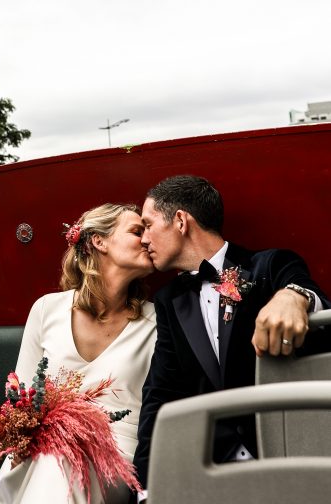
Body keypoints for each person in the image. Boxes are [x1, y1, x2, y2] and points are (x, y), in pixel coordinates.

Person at [133, 174, 331, 494]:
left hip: (289, 457)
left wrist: (293, 296)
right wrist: (144, 487)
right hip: (215, 472)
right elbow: (160, 393)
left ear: (181, 221)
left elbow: (305, 289)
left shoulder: (269, 264)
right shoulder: (170, 301)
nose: (143, 239)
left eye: (148, 224)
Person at [0, 203, 157, 504]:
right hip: (35, 454)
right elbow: (20, 398)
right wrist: (22, 444)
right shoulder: (46, 310)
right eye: (136, 231)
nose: (147, 239)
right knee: (52, 461)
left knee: (63, 459)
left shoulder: (155, 322)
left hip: (115, 457)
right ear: (99, 241)